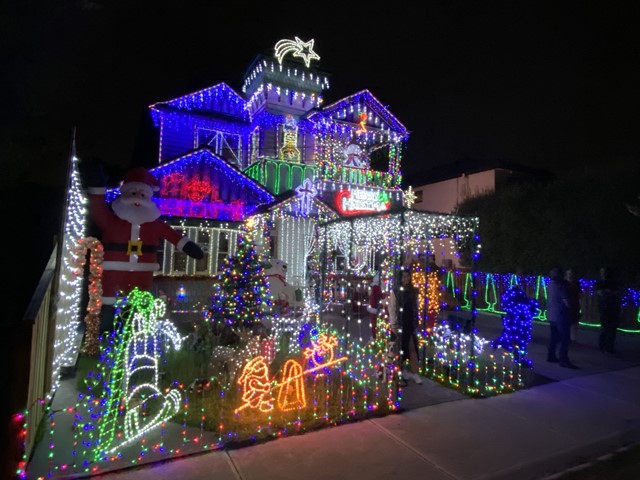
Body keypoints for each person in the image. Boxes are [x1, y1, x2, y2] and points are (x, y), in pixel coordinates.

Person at [390, 270, 423, 384]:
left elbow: (416, 307)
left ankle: (415, 373)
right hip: (399, 323)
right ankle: (401, 370)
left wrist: (417, 321)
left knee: (412, 347)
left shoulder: (414, 291)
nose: (406, 278)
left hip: (409, 322)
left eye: (408, 276)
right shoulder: (396, 291)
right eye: (404, 276)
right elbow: (392, 308)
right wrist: (393, 324)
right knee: (399, 349)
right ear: (400, 278)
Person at [546, 267, 578, 369]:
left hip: (551, 314)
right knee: (565, 338)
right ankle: (563, 360)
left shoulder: (550, 284)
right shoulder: (562, 285)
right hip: (561, 315)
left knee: (554, 337)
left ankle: (551, 356)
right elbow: (567, 301)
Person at [594, 267, 621, 355]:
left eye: (605, 272)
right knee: (605, 327)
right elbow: (600, 293)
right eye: (602, 272)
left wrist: (608, 292)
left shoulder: (614, 283)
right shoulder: (599, 283)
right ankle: (603, 346)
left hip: (613, 307)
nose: (603, 274)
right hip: (604, 308)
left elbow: (618, 292)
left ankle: (609, 347)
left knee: (612, 328)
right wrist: (609, 292)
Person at [564, 268, 582, 343]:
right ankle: (566, 338)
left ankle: (573, 339)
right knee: (566, 323)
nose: (570, 275)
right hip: (566, 306)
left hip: (575, 305)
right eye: (569, 273)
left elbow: (580, 294)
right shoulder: (564, 284)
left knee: (574, 323)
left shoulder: (576, 284)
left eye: (571, 274)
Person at [366, 271, 384, 340]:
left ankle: (374, 336)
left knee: (374, 323)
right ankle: (376, 336)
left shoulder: (372, 287)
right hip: (376, 308)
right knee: (376, 323)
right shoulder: (377, 287)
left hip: (373, 307)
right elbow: (381, 296)